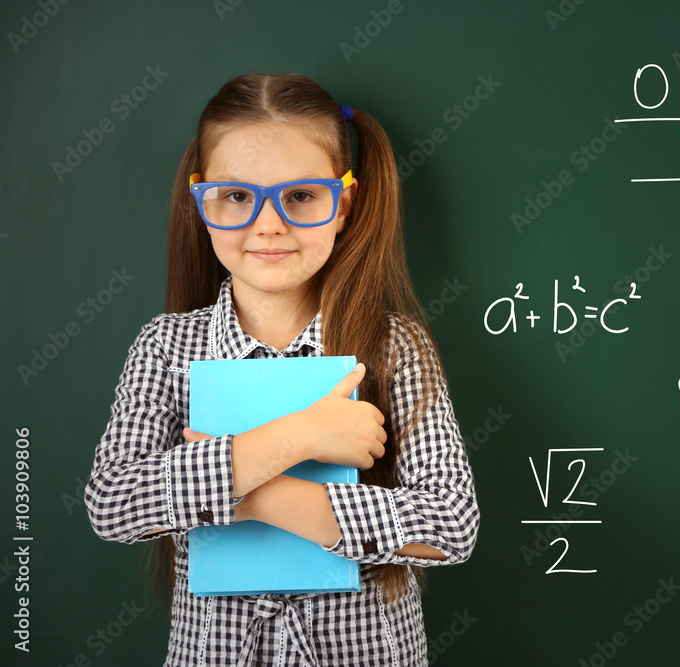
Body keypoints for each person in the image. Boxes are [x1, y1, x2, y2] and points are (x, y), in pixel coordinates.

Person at [85, 72, 479, 666]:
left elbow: (450, 525)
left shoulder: (397, 347)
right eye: (237, 196)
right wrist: (299, 437)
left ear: (342, 204)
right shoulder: (166, 348)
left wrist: (249, 489)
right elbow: (113, 503)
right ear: (203, 204)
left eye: (300, 196)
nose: (268, 223)